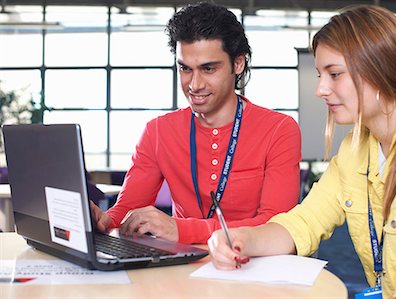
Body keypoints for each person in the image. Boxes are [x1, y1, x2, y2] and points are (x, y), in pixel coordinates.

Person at [208, 5, 396, 299]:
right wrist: (244, 238)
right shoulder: (356, 149)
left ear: (381, 69)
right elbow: (306, 221)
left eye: (334, 74)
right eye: (321, 74)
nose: (320, 89)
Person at [90, 2, 302, 245]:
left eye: (208, 69)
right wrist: (103, 220)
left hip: (255, 264)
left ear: (238, 64)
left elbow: (276, 224)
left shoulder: (278, 130)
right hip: (182, 267)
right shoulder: (158, 131)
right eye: (185, 69)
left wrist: (182, 230)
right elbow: (127, 209)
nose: (195, 84)